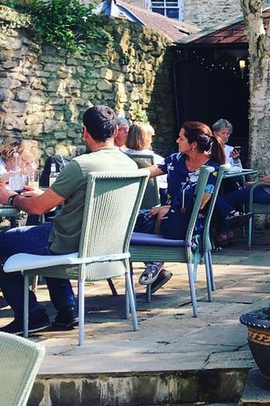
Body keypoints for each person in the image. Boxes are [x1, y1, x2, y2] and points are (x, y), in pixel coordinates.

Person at [0, 105, 137, 335]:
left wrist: (11, 197)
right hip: (107, 246)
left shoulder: (81, 165)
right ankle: (66, 311)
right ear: (115, 132)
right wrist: (48, 198)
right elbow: (89, 200)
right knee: (45, 233)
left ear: (85, 132)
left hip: (67, 243)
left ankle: (32, 315)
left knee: (8, 241)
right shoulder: (130, 165)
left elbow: (37, 207)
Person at [137, 121, 225, 291]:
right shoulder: (175, 160)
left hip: (189, 223)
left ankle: (155, 264)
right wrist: (124, 174)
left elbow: (200, 204)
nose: (177, 141)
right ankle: (156, 268)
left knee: (142, 222)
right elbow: (147, 172)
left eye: (181, 138)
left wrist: (169, 208)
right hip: (165, 217)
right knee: (130, 220)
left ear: (193, 145)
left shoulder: (211, 169)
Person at [215, 121, 270, 245]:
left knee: (226, 199)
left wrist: (255, 183)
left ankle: (223, 233)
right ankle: (228, 232)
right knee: (233, 196)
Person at [126, 122, 167, 198]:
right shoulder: (157, 160)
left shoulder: (123, 156)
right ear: (146, 138)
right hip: (153, 199)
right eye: (151, 137)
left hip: (130, 197)